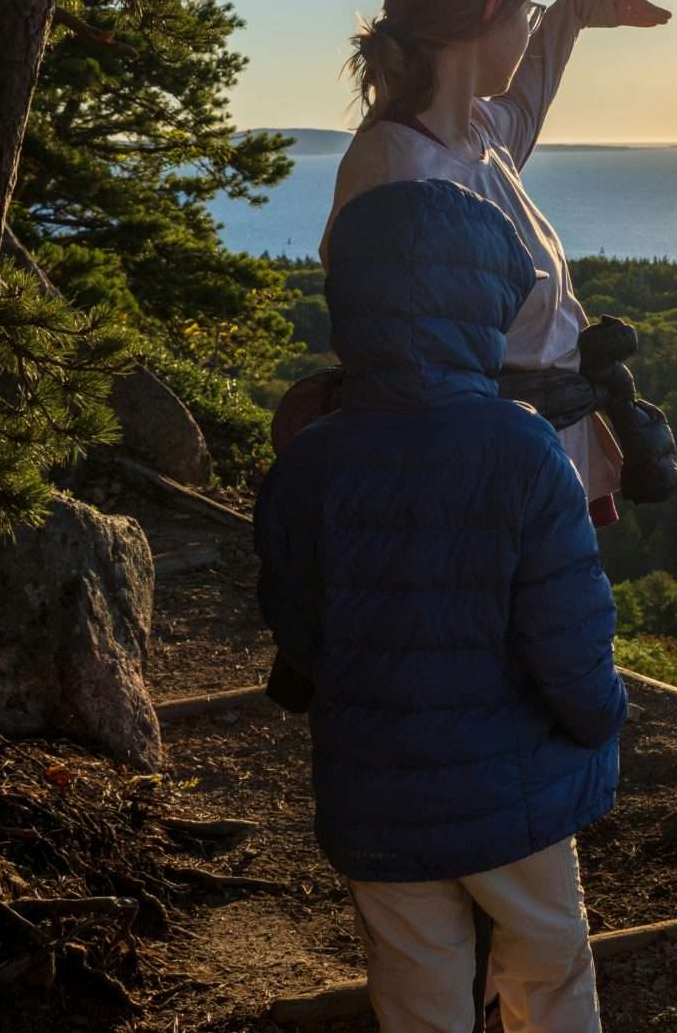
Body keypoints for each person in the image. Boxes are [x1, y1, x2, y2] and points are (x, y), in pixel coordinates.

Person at [257, 177, 627, 1031]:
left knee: (418, 995)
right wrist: (601, 715)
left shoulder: (310, 462)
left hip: (376, 789)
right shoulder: (524, 449)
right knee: (550, 971)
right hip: (517, 792)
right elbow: (569, 636)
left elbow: (299, 629)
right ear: (479, 306)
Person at [329, 0, 672, 525]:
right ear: (492, 10)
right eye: (528, 11)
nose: (528, 25)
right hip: (488, 494)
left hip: (534, 464)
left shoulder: (477, 132)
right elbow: (413, 387)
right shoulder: (402, 173)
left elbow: (528, 100)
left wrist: (570, 13)